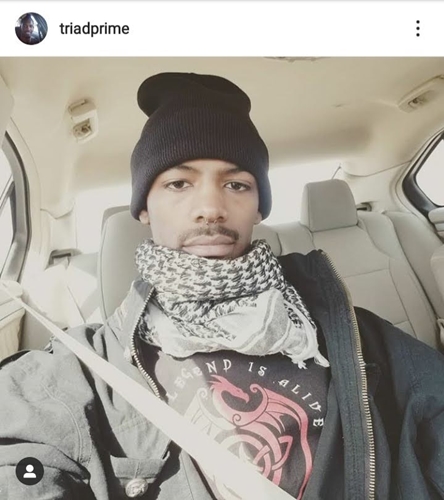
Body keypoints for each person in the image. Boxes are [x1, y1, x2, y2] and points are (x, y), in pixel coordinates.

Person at [1, 72, 444, 500]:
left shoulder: (355, 335)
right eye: (178, 183)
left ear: (258, 207)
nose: (211, 207)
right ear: (144, 209)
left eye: (236, 184)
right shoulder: (86, 369)